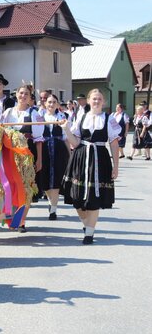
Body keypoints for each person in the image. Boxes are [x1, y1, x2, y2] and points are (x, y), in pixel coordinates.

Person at [61, 89, 120, 245]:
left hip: (100, 158)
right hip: (81, 158)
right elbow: (75, 143)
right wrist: (66, 129)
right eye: (94, 98)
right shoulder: (81, 117)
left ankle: (89, 233)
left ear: (103, 102)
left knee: (94, 197)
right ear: (88, 100)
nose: (96, 101)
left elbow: (114, 144)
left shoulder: (110, 119)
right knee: (76, 197)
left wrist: (116, 166)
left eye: (99, 99)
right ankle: (87, 224)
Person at [1, 84, 45, 232]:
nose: (23, 96)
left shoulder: (35, 114)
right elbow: (0, 131)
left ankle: (21, 221)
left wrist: (39, 159)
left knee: (26, 187)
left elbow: (39, 139)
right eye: (21, 93)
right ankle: (11, 217)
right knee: (11, 185)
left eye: (26, 94)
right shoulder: (8, 112)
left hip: (27, 154)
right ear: (16, 94)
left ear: (30, 97)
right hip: (9, 153)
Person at [40, 94, 69, 220]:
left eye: (54, 102)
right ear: (45, 103)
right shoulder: (39, 117)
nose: (51, 104)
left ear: (57, 104)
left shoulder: (62, 117)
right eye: (49, 102)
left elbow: (66, 137)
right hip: (44, 149)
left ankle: (53, 209)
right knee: (45, 179)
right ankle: (50, 201)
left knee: (57, 179)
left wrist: (70, 154)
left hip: (58, 149)